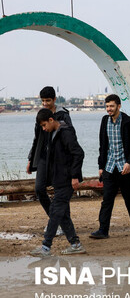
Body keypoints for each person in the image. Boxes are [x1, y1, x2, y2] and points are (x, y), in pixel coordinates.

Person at [29, 108, 86, 256]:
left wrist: (74, 176)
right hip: (58, 178)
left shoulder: (66, 132)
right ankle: (75, 244)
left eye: (44, 125)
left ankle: (45, 247)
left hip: (67, 179)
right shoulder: (52, 133)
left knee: (55, 211)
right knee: (62, 214)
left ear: (51, 120)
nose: (43, 129)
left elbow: (79, 153)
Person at [90, 94, 130, 239]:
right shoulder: (104, 120)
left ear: (119, 106)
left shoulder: (128, 122)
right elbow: (103, 145)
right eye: (107, 106)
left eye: (112, 106)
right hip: (109, 167)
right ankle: (103, 230)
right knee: (107, 199)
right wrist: (101, 166)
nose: (109, 109)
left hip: (125, 168)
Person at [27, 86, 73, 236]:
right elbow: (36, 139)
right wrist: (30, 159)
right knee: (39, 189)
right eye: (43, 101)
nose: (45, 103)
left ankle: (64, 226)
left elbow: (70, 136)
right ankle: (56, 221)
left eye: (48, 100)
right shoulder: (41, 115)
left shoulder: (63, 115)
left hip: (59, 160)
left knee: (61, 192)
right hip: (43, 157)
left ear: (54, 99)